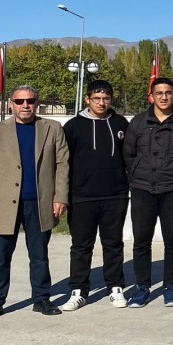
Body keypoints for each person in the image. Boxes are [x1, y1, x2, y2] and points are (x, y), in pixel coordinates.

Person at [0, 85, 69, 322]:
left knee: (39, 255)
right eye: (19, 101)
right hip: (4, 205)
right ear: (10, 104)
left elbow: (62, 165)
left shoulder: (52, 128)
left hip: (39, 203)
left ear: (37, 103)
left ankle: (42, 299)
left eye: (30, 100)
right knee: (0, 256)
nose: (25, 105)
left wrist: (60, 197)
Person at [125, 77, 173, 308]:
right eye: (159, 93)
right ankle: (142, 287)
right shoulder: (137, 123)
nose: (164, 97)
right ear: (152, 96)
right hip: (142, 189)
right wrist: (136, 178)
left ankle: (170, 287)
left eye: (168, 92)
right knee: (141, 241)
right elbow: (128, 155)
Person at [61, 80, 131, 311]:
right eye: (96, 98)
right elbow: (63, 163)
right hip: (81, 196)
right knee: (81, 246)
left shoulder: (121, 123)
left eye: (106, 98)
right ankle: (78, 291)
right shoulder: (72, 126)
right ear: (87, 100)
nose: (102, 103)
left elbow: (130, 158)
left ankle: (115, 288)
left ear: (111, 99)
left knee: (113, 244)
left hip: (115, 195)